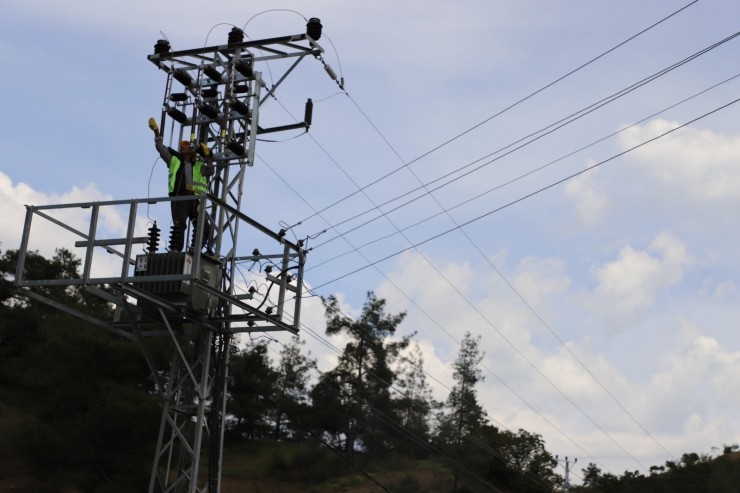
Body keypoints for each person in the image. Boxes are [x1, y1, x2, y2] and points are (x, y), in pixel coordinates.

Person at [149, 117, 214, 253]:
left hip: (194, 199)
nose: (184, 147)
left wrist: (207, 157)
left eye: (187, 146)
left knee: (204, 227)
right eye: (183, 146)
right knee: (179, 225)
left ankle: (194, 249)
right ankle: (176, 251)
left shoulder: (199, 165)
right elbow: (160, 148)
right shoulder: (174, 160)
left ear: (193, 152)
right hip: (180, 197)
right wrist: (156, 132)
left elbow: (210, 171)